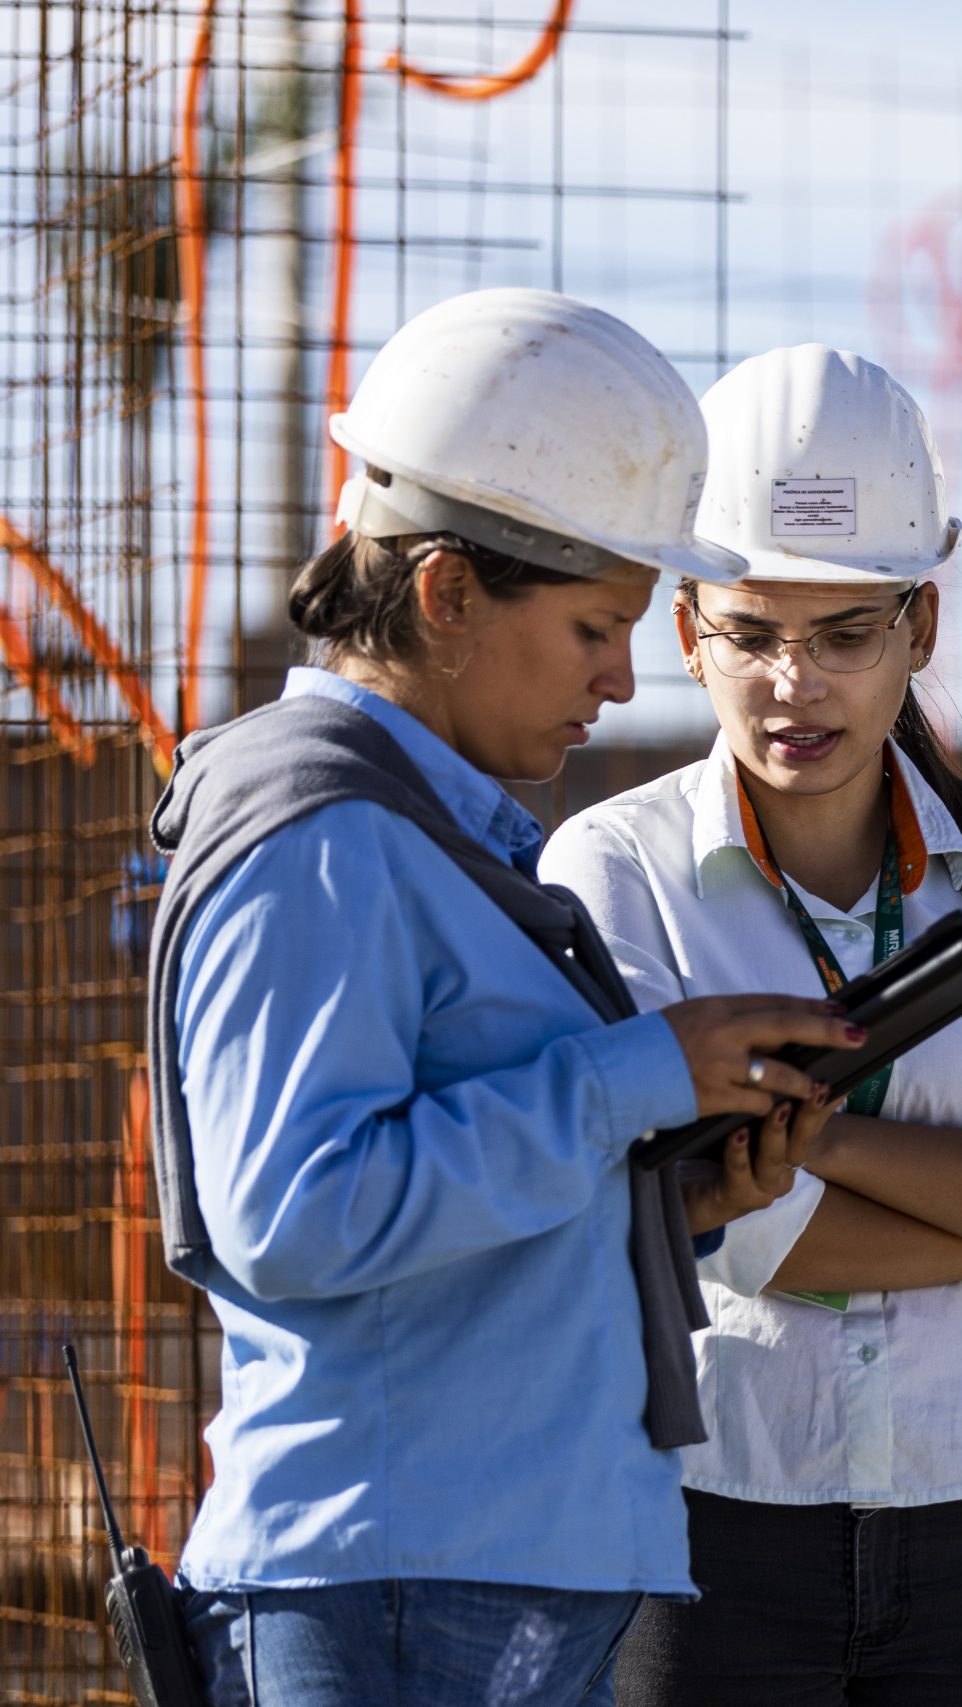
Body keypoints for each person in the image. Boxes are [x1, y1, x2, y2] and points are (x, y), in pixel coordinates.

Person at [154, 289, 863, 1705]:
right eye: (597, 623)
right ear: (447, 593)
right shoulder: (323, 837)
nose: (620, 676)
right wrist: (640, 1076)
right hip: (399, 1588)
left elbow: (438, 1227)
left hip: (467, 1582)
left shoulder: (426, 834)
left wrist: (665, 1198)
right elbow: (297, 1212)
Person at [538, 344, 962, 1707]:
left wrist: (805, 1137)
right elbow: (709, 1225)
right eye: (756, 633)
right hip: (710, 1521)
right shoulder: (611, 876)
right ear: (686, 632)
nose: (798, 685)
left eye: (846, 633)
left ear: (921, 628)